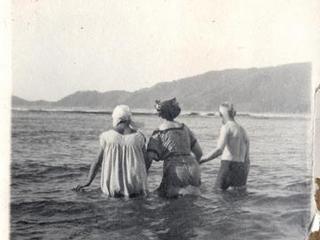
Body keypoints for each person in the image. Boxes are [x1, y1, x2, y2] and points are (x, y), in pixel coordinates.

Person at [75, 105, 148, 197]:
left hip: (113, 187)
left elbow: (97, 161)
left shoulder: (106, 136)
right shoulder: (139, 137)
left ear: (116, 119)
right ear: (129, 119)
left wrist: (88, 182)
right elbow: (146, 161)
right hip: (135, 187)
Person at [147, 98, 203, 198]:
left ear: (160, 114)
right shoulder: (184, 128)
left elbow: (150, 157)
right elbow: (199, 153)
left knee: (167, 203)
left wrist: (143, 174)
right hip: (193, 167)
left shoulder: (159, 131)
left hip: (175, 168)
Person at [200, 102, 250, 190]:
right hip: (242, 167)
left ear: (221, 114)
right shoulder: (243, 130)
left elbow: (219, 150)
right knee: (237, 197)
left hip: (228, 165)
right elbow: (247, 158)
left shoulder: (226, 127)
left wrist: (201, 160)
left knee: (218, 193)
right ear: (234, 113)